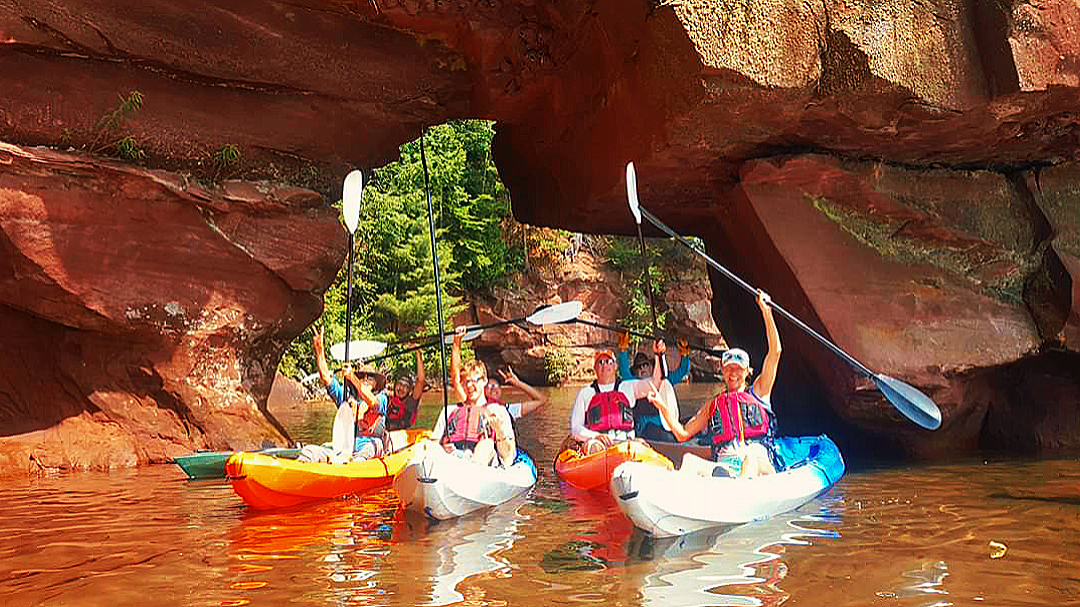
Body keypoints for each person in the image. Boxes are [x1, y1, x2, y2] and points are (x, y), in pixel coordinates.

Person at [647, 290, 781, 478]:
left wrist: (766, 312)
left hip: (757, 465)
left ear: (747, 372)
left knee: (749, 461)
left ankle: (737, 494)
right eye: (728, 368)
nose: (733, 373)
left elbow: (775, 351)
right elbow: (682, 433)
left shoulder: (759, 392)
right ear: (722, 371)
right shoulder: (714, 404)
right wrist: (661, 406)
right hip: (725, 468)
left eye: (738, 369)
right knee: (689, 460)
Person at [431, 326, 517, 468]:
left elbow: (509, 457)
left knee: (486, 445)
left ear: (484, 381)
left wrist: (500, 432)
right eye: (465, 382)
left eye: (474, 380)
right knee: (428, 445)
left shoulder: (497, 411)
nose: (469, 386)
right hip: (452, 461)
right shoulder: (449, 410)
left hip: (482, 468)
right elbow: (434, 444)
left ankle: (469, 468)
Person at [570, 340, 663, 454]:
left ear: (615, 366)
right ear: (595, 368)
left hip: (626, 442)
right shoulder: (586, 393)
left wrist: (659, 355)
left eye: (609, 361)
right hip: (598, 445)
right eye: (601, 362)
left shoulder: (628, 387)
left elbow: (654, 384)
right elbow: (576, 429)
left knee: (641, 443)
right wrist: (596, 436)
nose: (605, 365)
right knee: (592, 446)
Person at [616, 330, 690, 385]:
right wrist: (623, 349)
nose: (642, 368)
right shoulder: (634, 384)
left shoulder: (664, 380)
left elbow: (682, 370)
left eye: (645, 364)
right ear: (634, 372)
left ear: (651, 367)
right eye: (638, 367)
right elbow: (625, 373)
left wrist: (684, 353)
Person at [484, 365, 550, 419]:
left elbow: (542, 399)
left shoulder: (508, 410)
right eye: (488, 386)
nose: (493, 389)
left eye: (495, 385)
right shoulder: (480, 408)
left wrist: (518, 383)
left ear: (501, 390)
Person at [386, 349, 425, 431]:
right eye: (399, 384)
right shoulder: (388, 399)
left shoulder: (410, 403)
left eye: (405, 386)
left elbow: (420, 381)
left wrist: (418, 354)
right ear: (394, 385)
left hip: (401, 436)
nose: (401, 388)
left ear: (409, 391)